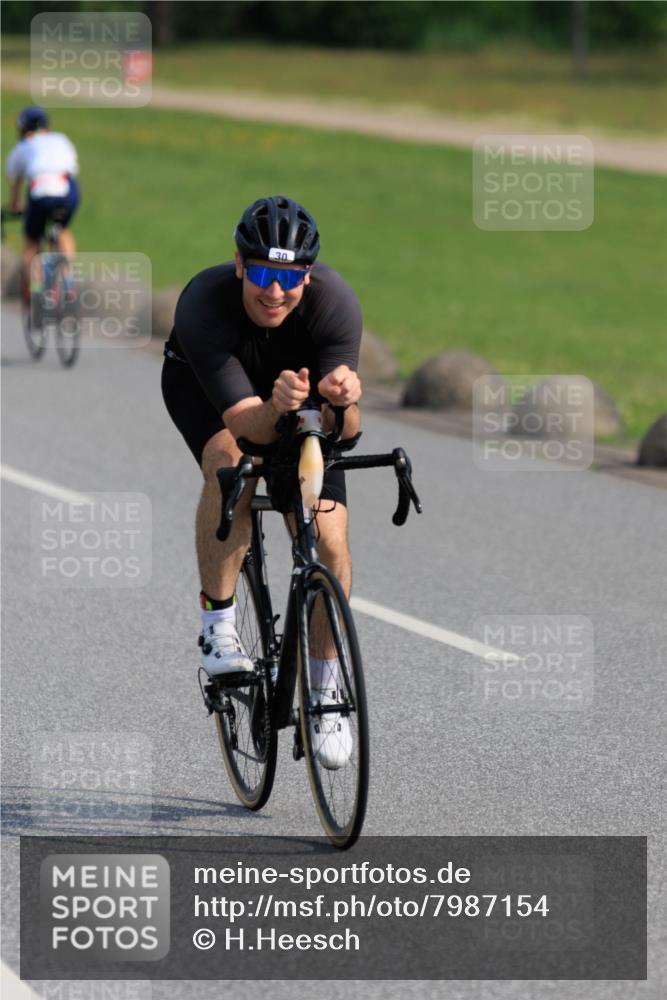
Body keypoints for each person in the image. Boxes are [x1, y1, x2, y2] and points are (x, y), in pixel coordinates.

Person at [162, 195, 363, 768]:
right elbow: (247, 427)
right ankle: (218, 625)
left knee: (330, 539)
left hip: (295, 403)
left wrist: (345, 403)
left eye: (289, 277)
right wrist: (276, 408)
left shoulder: (334, 305)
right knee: (234, 467)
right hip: (209, 393)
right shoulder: (204, 303)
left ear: (308, 274)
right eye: (263, 274)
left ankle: (326, 690)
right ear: (239, 264)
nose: (275, 291)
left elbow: (346, 433)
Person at [5, 106, 80, 304]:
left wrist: (14, 203)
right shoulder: (61, 139)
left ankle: (35, 288)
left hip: (40, 190)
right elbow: (74, 167)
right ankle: (69, 278)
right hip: (66, 188)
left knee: (31, 241)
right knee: (63, 229)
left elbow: (14, 179)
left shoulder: (23, 146)